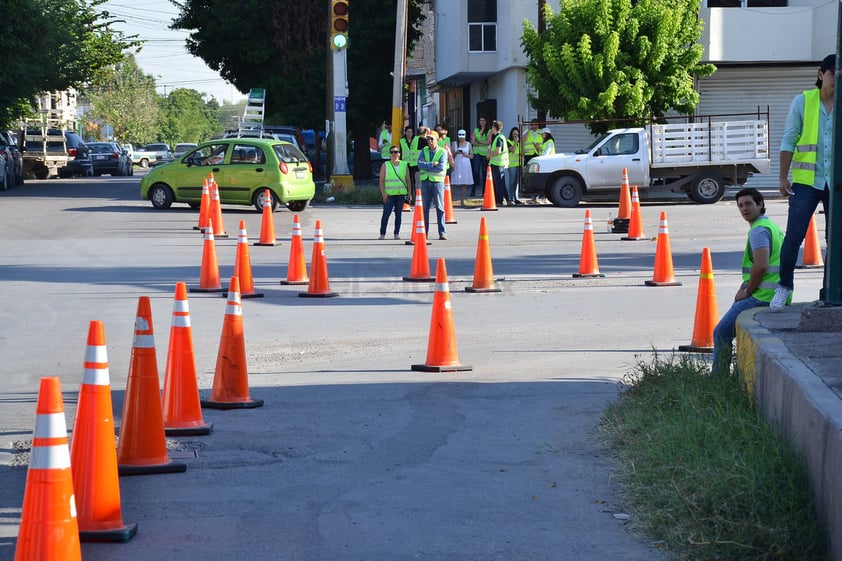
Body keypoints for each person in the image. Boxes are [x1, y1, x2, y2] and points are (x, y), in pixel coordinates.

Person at [772, 53, 835, 310]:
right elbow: (789, 140)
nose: (837, 79)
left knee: (836, 240)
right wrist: (782, 177)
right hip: (806, 182)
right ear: (821, 75)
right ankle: (784, 287)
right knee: (793, 237)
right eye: (833, 74)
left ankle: (829, 291)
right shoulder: (803, 102)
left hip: (836, 183)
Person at [711, 188, 785, 375]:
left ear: (760, 204)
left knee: (721, 333)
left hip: (762, 295)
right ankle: (738, 376)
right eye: (740, 205)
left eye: (749, 204)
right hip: (774, 294)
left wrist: (747, 292)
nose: (744, 209)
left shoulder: (759, 231)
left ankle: (718, 380)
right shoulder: (770, 226)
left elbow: (761, 265)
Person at [416, 130, 448, 240]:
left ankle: (442, 232)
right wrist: (432, 164)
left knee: (440, 207)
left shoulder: (442, 152)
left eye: (431, 139)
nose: (429, 141)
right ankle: (425, 233)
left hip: (437, 182)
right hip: (425, 181)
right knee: (425, 208)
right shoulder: (424, 150)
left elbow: (441, 167)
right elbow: (419, 164)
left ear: (437, 140)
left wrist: (426, 165)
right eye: (428, 139)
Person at [378, 145, 409, 240]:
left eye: (396, 152)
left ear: (399, 154)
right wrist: (383, 194)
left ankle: (396, 233)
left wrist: (409, 193)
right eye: (391, 152)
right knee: (386, 214)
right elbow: (381, 180)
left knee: (398, 214)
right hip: (389, 194)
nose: (393, 154)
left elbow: (408, 180)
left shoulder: (404, 164)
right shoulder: (385, 165)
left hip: (400, 194)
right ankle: (382, 233)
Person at [486, 120, 510, 206]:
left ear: (495, 128)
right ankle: (508, 199)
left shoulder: (499, 138)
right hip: (497, 163)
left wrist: (489, 155)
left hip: (498, 163)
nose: (491, 129)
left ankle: (499, 201)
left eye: (492, 127)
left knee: (498, 183)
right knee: (501, 182)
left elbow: (498, 151)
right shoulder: (497, 137)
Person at [450, 129, 473, 206]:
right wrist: (456, 153)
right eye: (460, 136)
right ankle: (451, 200)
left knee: (464, 183)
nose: (461, 138)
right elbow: (451, 156)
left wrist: (466, 155)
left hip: (465, 164)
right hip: (457, 163)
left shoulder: (468, 144)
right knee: (454, 183)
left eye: (463, 136)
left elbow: (472, 156)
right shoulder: (454, 144)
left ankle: (462, 201)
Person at [471, 116, 491, 197]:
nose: (482, 122)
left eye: (483, 120)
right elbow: (472, 141)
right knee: (475, 171)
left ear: (486, 121)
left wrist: (479, 142)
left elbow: (489, 141)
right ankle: (474, 189)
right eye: (480, 120)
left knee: (484, 172)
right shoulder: (476, 130)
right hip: (476, 152)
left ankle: (484, 190)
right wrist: (482, 142)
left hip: (485, 153)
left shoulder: (489, 131)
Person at [506, 127, 524, 205]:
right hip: (512, 165)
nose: (515, 136)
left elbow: (522, 152)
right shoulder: (508, 141)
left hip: (519, 164)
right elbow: (513, 150)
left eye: (516, 134)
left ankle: (516, 198)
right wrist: (516, 142)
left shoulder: (520, 142)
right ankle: (510, 198)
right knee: (512, 182)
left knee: (517, 182)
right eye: (513, 134)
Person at [400, 126, 420, 194]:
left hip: (415, 164)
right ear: (405, 133)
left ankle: (416, 195)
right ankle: (409, 194)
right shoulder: (402, 141)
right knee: (408, 180)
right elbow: (401, 152)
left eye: (411, 132)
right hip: (406, 164)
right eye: (408, 132)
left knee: (416, 181)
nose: (410, 133)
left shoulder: (417, 139)